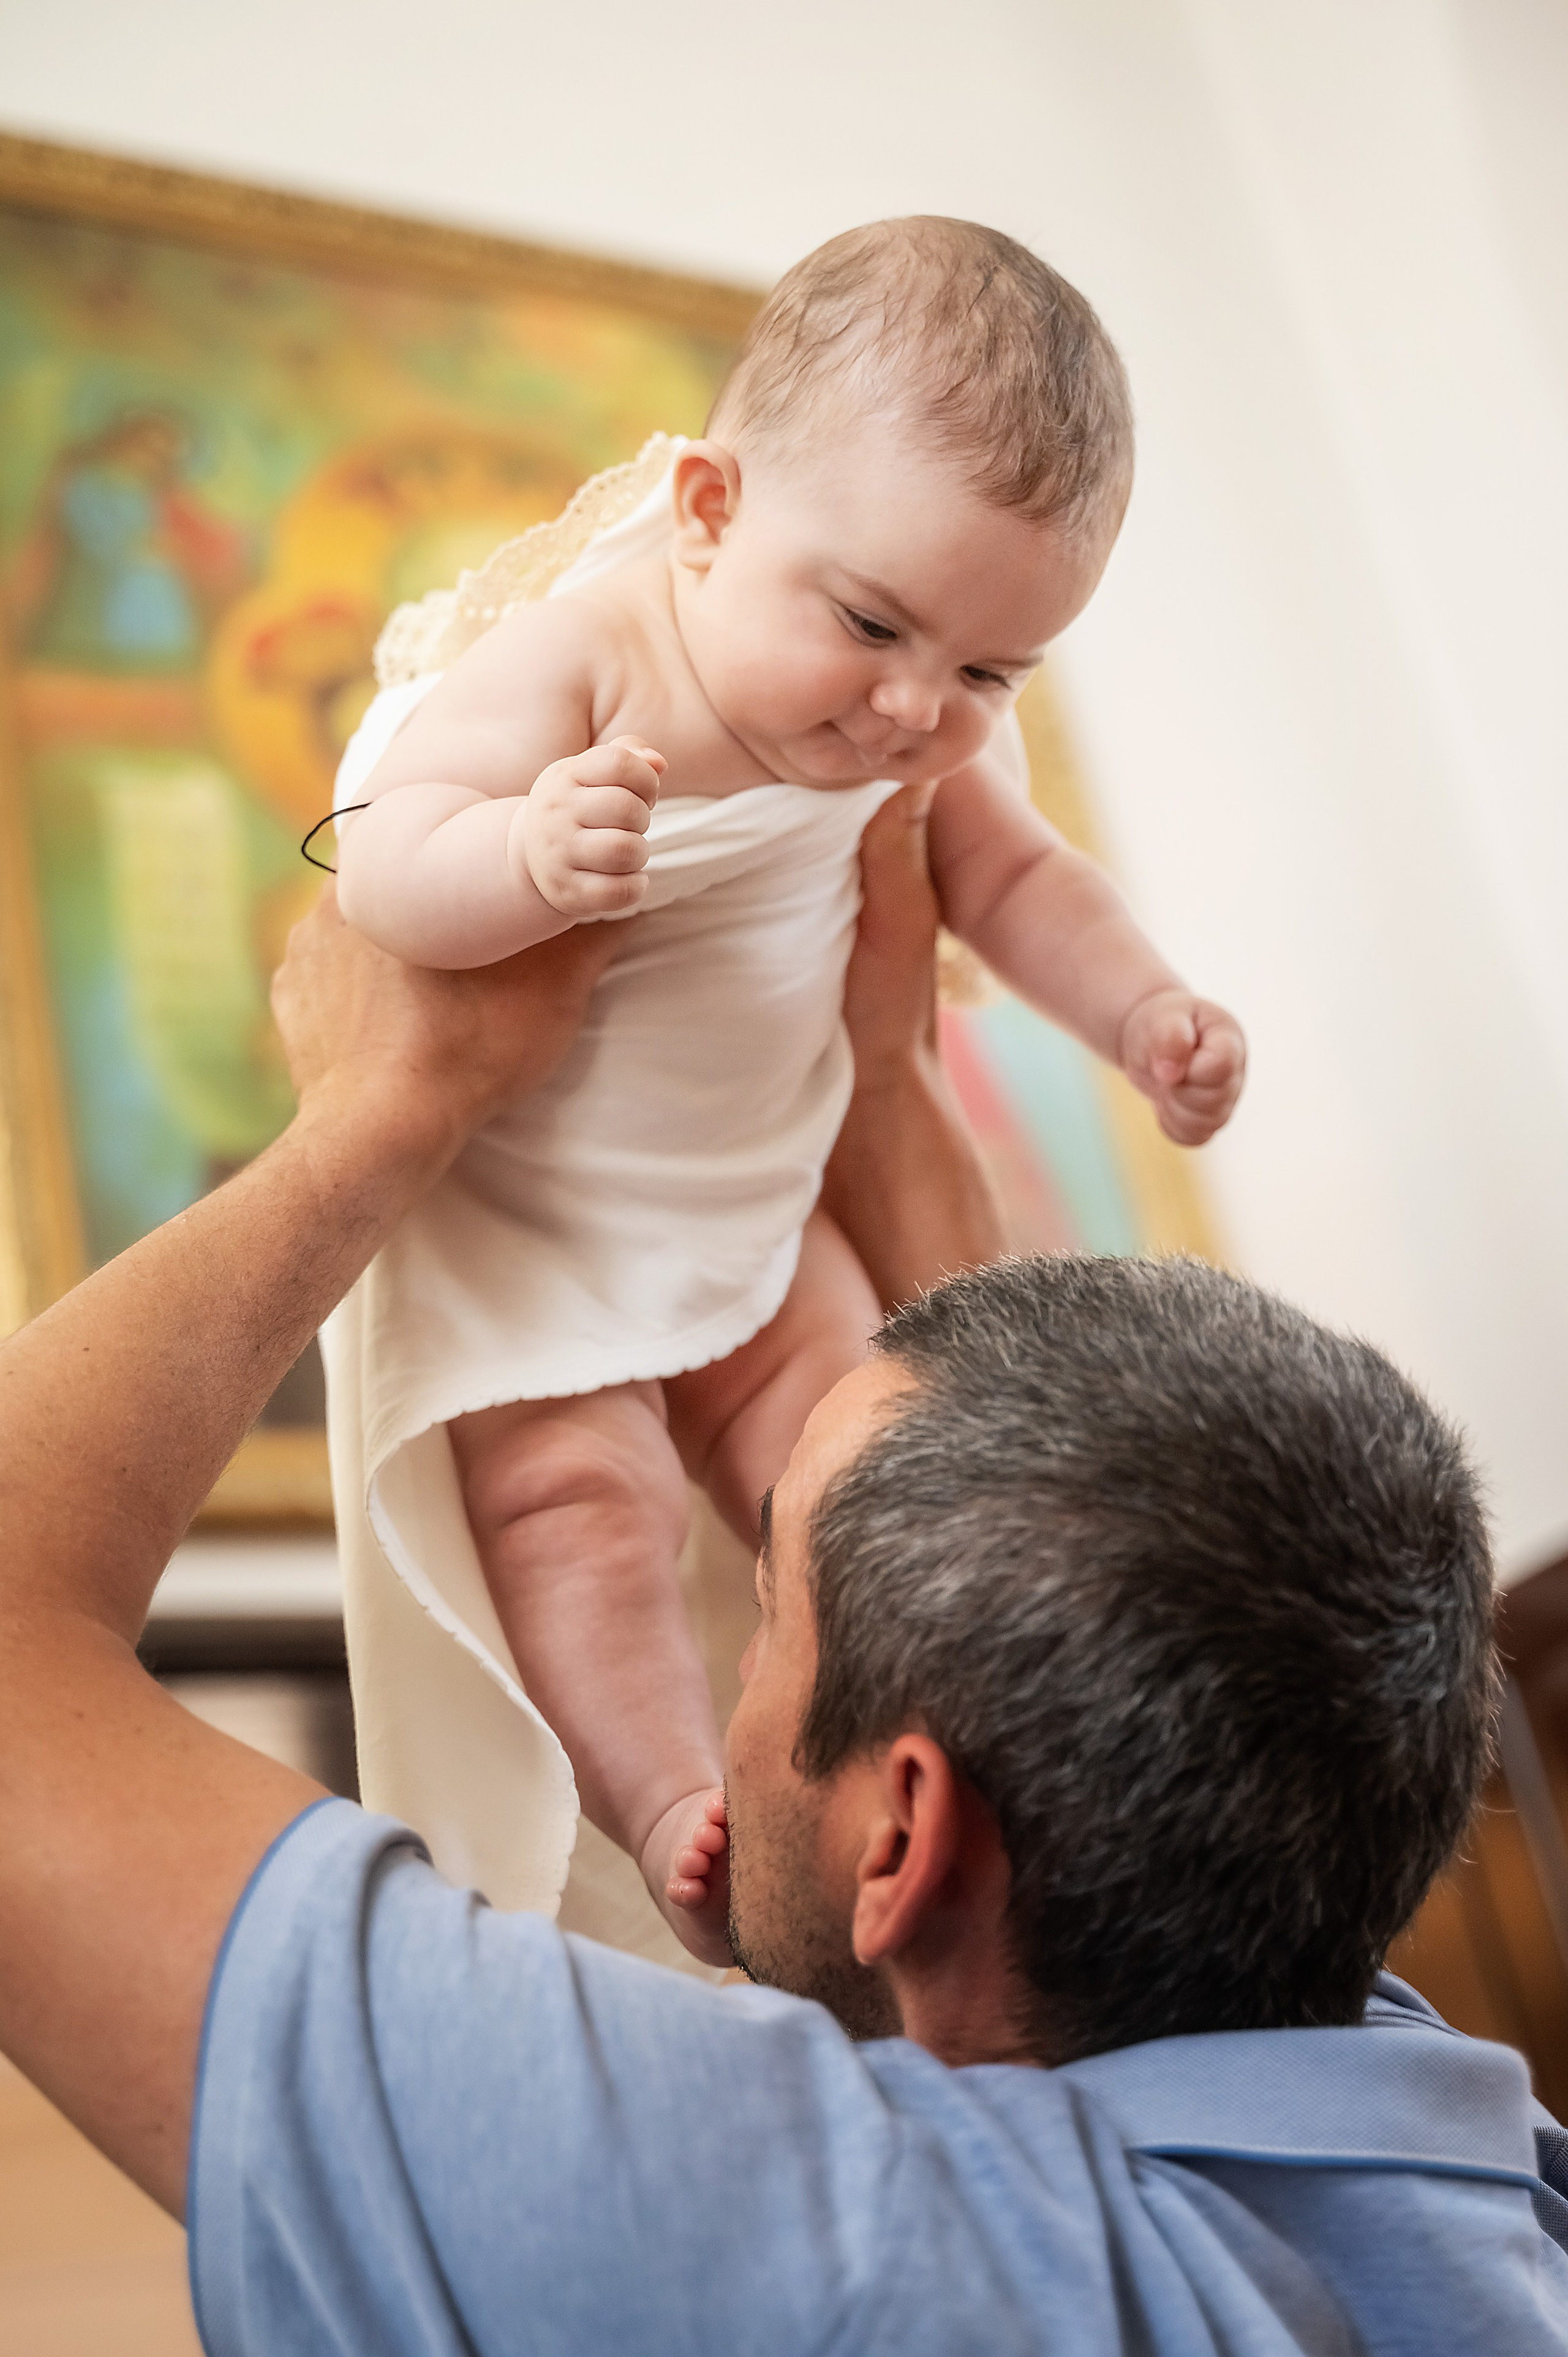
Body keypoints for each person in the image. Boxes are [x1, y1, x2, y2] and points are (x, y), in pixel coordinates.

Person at [1, 801, 1564, 2356]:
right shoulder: (1451, 2150)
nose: (733, 1661)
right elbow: (1065, 1509)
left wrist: (385, 1105)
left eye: (767, 1613)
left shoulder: (786, 2243)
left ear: (903, 1834)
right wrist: (872, 1075)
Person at [326, 217, 1248, 1957]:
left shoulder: (911, 747)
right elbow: (385, 863)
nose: (915, 706)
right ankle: (676, 1794)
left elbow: (1023, 884)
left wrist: (1144, 1016)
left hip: (756, 1211)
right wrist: (520, 850)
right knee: (571, 1515)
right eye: (874, 624)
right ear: (706, 511)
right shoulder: (594, 654)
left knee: (855, 1446)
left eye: (988, 673)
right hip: (534, 1236)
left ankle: (920, 1777)